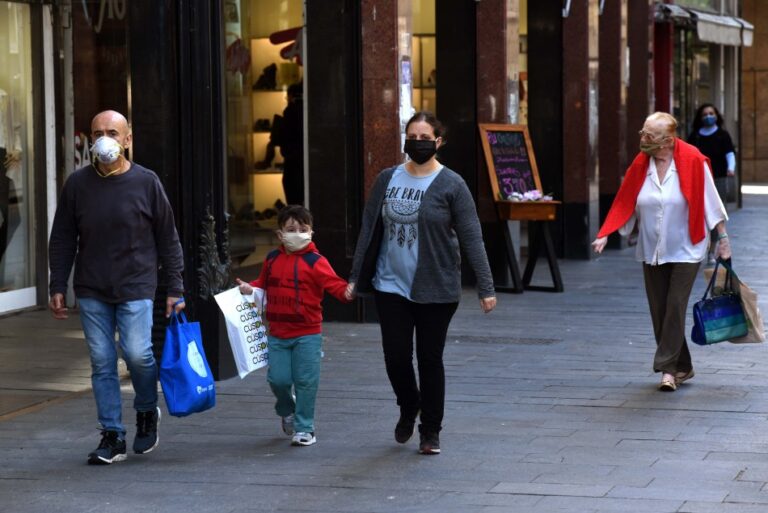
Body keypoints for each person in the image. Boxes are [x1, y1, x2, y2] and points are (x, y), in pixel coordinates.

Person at [346, 111, 497, 455]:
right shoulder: (387, 179)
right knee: (396, 357)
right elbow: (369, 230)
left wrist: (486, 288)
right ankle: (408, 404)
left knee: (430, 359)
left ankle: (430, 431)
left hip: (436, 287)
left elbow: (472, 237)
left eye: (424, 137)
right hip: (390, 285)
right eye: (412, 136)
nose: (417, 142)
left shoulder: (452, 184)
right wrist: (355, 277)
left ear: (438, 142)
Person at [48, 110, 185, 465]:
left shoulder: (147, 182)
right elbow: (62, 236)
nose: (104, 138)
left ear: (127, 139)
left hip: (136, 284)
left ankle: (145, 410)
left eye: (112, 131)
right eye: (97, 133)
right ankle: (111, 435)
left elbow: (168, 238)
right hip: (92, 287)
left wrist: (176, 288)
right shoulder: (77, 185)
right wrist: (57, 284)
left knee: (138, 354)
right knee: (102, 361)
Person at [592, 112, 730, 392]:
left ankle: (667, 369)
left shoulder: (693, 161)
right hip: (652, 248)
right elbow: (625, 199)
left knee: (675, 306)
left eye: (648, 135)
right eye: (642, 133)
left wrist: (723, 239)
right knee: (660, 309)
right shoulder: (641, 165)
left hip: (687, 247)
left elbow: (711, 203)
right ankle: (684, 366)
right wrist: (606, 233)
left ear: (667, 141)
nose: (642, 139)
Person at [236, 204, 350, 447]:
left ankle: (305, 427)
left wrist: (348, 292)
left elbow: (335, 285)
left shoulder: (316, 262)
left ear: (311, 233)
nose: (297, 233)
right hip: (278, 333)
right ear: (280, 234)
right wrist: (250, 288)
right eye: (291, 229)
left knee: (307, 381)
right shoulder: (273, 259)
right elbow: (263, 284)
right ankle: (287, 408)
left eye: (302, 228)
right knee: (277, 380)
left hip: (308, 333)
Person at [687, 103, 736, 264]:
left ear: (716, 115)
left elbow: (730, 153)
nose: (708, 116)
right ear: (700, 118)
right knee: (698, 214)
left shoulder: (723, 135)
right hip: (698, 179)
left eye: (711, 113)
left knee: (715, 214)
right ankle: (699, 246)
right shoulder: (695, 136)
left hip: (718, 179)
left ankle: (711, 249)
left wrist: (731, 168)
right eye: (704, 114)